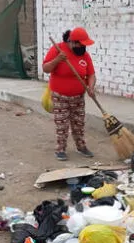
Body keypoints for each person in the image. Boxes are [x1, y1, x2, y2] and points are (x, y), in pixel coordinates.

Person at [42, 27, 96, 161]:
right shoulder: (58, 49)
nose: (83, 47)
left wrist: (91, 87)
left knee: (79, 123)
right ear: (72, 42)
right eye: (81, 44)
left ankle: (81, 147)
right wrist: (57, 60)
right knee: (62, 124)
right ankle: (60, 149)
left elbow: (91, 74)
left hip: (78, 97)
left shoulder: (85, 55)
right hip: (60, 96)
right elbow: (45, 69)